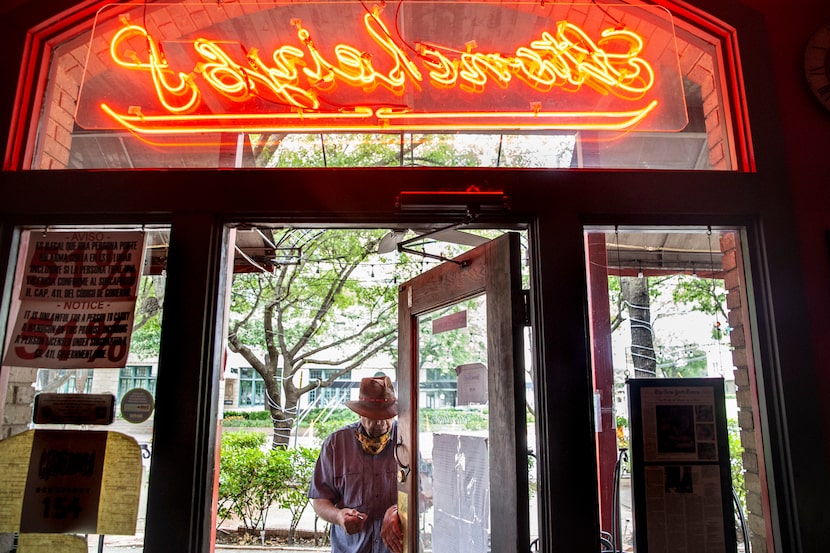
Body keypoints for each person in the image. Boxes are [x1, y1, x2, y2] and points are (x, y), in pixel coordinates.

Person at [308, 375, 403, 553]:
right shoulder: (336, 444)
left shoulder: (407, 441)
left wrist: (399, 510)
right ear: (360, 412)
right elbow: (320, 500)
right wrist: (338, 516)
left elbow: (425, 494)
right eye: (373, 416)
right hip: (350, 548)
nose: (381, 423)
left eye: (387, 416)